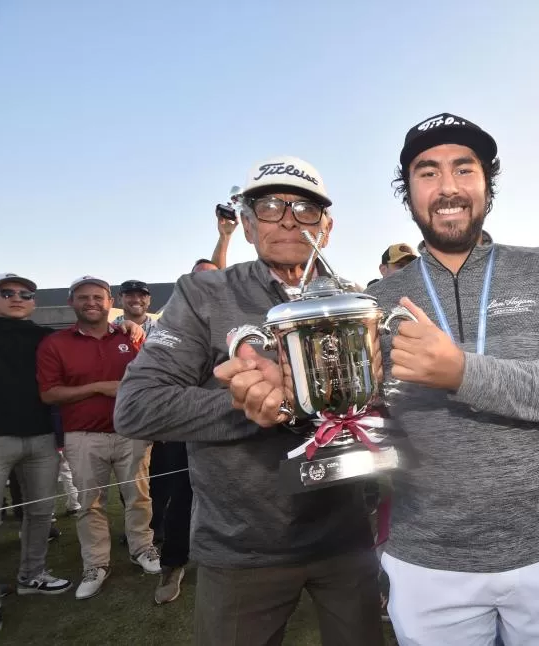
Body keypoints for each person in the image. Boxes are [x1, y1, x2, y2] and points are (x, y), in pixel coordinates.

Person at [114, 156, 384, 646]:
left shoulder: (352, 298)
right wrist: (250, 406)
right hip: (243, 548)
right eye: (270, 205)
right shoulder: (204, 294)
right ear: (245, 221)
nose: (287, 217)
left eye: (305, 208)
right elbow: (137, 406)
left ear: (327, 227)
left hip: (345, 536)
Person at [361, 113, 539, 645]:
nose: (447, 187)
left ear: (487, 187)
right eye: (427, 173)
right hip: (427, 560)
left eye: (464, 169)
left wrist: (461, 372)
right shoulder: (376, 302)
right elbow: (359, 419)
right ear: (408, 194)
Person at [0, 273, 72, 642]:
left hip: (39, 438)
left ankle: (31, 574)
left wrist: (132, 331)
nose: (17, 298)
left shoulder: (43, 337)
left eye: (25, 294)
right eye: (7, 293)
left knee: (40, 513)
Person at [37, 276, 160, 600]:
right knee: (90, 505)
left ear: (110, 303)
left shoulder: (130, 337)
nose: (91, 303)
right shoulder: (56, 343)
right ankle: (96, 564)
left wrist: (137, 333)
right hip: (83, 436)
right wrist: (98, 387)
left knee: (138, 497)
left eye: (98, 297)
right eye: (83, 297)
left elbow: (151, 377)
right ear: (71, 303)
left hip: (130, 432)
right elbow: (49, 394)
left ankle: (142, 548)